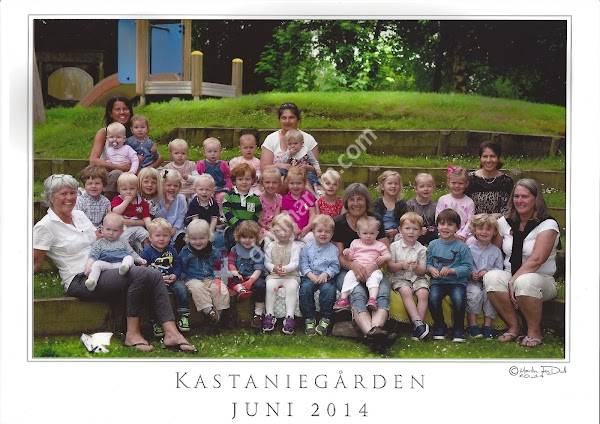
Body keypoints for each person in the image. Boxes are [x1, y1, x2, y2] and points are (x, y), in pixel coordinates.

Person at [33, 174, 196, 352]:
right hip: (80, 279)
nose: (70, 198)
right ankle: (132, 334)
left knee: (152, 273)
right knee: (142, 274)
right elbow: (34, 263)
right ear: (51, 197)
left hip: (107, 268)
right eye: (64, 194)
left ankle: (171, 333)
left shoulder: (79, 215)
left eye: (72, 193)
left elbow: (100, 239)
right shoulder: (45, 226)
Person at [483, 179, 560, 347]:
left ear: (536, 199)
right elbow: (493, 250)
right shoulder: (505, 222)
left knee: (524, 281)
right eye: (516, 196)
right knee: (491, 277)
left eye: (525, 196)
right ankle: (514, 326)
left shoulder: (548, 224)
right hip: (510, 274)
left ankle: (534, 331)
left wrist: (513, 280)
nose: (519, 200)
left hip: (540, 279)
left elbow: (537, 260)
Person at [331, 183, 393, 346]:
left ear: (366, 201)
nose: (356, 203)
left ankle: (374, 332)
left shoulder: (375, 220)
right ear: (346, 202)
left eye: (360, 199)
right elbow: (340, 255)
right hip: (347, 270)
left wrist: (373, 266)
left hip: (374, 269)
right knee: (357, 292)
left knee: (382, 291)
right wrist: (353, 266)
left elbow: (385, 250)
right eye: (352, 199)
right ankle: (372, 333)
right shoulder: (339, 222)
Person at [427, 208, 473, 342]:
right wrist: (431, 269)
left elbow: (468, 268)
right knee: (433, 298)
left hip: (457, 282)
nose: (445, 227)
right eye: (442, 224)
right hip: (438, 282)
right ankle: (439, 327)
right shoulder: (433, 245)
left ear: (457, 228)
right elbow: (428, 263)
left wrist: (452, 270)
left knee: (458, 299)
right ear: (437, 226)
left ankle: (459, 329)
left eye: (450, 224)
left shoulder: (462, 247)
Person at [140, 218, 190, 335]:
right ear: (150, 237)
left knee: (182, 288)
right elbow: (143, 270)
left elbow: (178, 265)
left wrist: (175, 275)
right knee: (152, 295)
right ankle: (156, 321)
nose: (161, 238)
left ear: (170, 237)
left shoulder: (171, 250)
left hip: (171, 279)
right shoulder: (146, 253)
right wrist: (157, 279)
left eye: (165, 235)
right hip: (155, 282)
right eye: (158, 235)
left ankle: (183, 315)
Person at [259, 102, 320, 192]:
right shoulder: (271, 139)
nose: (287, 121)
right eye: (284, 118)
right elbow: (264, 168)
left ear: (298, 120)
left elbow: (315, 167)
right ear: (279, 120)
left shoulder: (309, 139)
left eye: (291, 117)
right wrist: (280, 165)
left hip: (302, 180)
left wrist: (305, 168)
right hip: (279, 182)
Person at [334, 216, 391, 312]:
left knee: (376, 277)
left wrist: (384, 257)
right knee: (349, 276)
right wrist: (347, 253)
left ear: (377, 233)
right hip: (357, 269)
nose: (368, 236)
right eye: (365, 233)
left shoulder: (379, 245)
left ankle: (372, 299)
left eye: (372, 233)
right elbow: (351, 257)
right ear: (359, 233)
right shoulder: (355, 243)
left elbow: (388, 255)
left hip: (372, 270)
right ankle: (343, 298)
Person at [388, 212, 430, 341]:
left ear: (421, 232)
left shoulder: (422, 249)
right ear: (400, 230)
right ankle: (418, 323)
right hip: (400, 277)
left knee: (423, 293)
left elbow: (422, 271)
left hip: (417, 277)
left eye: (415, 229)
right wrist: (401, 265)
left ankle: (418, 329)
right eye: (407, 228)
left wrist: (417, 267)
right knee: (406, 291)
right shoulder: (394, 247)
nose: (411, 232)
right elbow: (390, 267)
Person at [179, 219, 230, 324]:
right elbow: (181, 266)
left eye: (202, 238)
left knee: (220, 289)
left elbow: (218, 265)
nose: (198, 242)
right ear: (188, 238)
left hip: (210, 278)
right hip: (192, 279)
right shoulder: (186, 251)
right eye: (194, 239)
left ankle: (217, 316)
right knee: (197, 288)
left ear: (208, 237)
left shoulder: (213, 251)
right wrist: (182, 278)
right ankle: (209, 311)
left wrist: (219, 277)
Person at [298, 214, 340, 336]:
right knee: (305, 289)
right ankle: (309, 319)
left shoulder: (333, 249)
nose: (323, 234)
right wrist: (310, 275)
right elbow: (303, 263)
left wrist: (326, 274)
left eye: (327, 232)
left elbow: (335, 266)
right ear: (313, 232)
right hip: (310, 276)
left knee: (328, 290)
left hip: (326, 278)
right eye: (320, 231)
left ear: (332, 234)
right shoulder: (307, 247)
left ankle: (325, 318)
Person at [262, 213, 303, 335]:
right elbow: (267, 262)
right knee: (270, 286)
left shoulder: (295, 246)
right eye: (279, 231)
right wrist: (274, 268)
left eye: (286, 230)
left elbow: (295, 262)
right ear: (274, 231)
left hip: (291, 275)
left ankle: (289, 317)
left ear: (291, 231)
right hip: (275, 275)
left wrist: (285, 269)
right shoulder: (270, 246)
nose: (283, 234)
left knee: (292, 288)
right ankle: (269, 314)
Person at [84, 212, 147, 291]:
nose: (111, 233)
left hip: (120, 264)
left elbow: (131, 252)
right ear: (102, 229)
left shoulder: (123, 242)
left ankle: (125, 267)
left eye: (115, 230)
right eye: (108, 229)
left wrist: (139, 259)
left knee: (129, 257)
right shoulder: (99, 243)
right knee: (96, 264)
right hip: (106, 265)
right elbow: (93, 256)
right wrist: (88, 266)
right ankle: (92, 281)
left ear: (121, 232)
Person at [465, 213, 503, 339]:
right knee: (474, 294)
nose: (484, 232)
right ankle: (472, 325)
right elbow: (464, 265)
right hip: (472, 282)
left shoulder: (496, 251)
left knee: (490, 295)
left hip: (488, 283)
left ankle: (488, 325)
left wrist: (487, 273)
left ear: (494, 232)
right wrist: (471, 273)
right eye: (480, 228)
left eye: (488, 229)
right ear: (474, 230)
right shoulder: (469, 248)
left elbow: (499, 269)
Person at [89, 96, 135, 199]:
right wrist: (119, 167)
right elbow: (93, 160)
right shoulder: (104, 132)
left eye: (125, 109)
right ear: (111, 113)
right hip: (109, 173)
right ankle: (107, 203)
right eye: (118, 109)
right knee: (117, 174)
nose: (122, 112)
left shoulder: (136, 132)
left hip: (132, 172)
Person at [227, 220, 267, 329]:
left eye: (251, 237)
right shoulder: (235, 249)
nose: (247, 240)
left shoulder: (257, 252)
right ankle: (241, 290)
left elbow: (259, 268)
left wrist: (251, 281)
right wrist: (235, 272)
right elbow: (230, 263)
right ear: (238, 237)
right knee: (229, 278)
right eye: (244, 237)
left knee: (261, 285)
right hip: (239, 277)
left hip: (253, 277)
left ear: (256, 238)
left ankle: (258, 313)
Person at [466, 141, 514, 215]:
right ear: (480, 158)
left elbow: (509, 208)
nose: (488, 160)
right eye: (485, 156)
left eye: (492, 156)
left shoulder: (507, 181)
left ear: (498, 158)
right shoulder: (470, 179)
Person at [222, 163, 262, 249]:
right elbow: (226, 210)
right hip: (234, 226)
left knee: (256, 240)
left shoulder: (255, 198)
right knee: (231, 239)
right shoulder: (230, 196)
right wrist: (237, 223)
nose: (244, 182)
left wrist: (251, 224)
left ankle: (252, 255)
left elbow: (258, 212)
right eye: (240, 179)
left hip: (249, 228)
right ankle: (231, 254)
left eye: (247, 179)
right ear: (234, 181)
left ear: (252, 180)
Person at [110, 172, 151, 251]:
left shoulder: (142, 202)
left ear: (137, 189)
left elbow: (146, 217)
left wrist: (150, 229)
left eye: (132, 189)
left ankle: (146, 252)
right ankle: (127, 252)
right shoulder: (118, 199)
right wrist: (126, 202)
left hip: (138, 227)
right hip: (123, 228)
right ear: (119, 190)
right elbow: (115, 212)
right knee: (122, 239)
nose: (128, 192)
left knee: (146, 235)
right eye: (124, 189)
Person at [435, 166, 474, 241]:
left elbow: (470, 221)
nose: (457, 186)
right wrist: (447, 233)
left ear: (466, 184)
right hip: (445, 231)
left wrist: (462, 235)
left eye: (460, 183)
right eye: (454, 183)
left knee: (471, 241)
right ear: (448, 183)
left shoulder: (469, 202)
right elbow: (438, 218)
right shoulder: (443, 200)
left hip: (463, 235)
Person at [196, 137, 233, 212]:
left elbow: (228, 177)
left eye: (215, 151)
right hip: (206, 188)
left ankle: (220, 213)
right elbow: (197, 177)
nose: (213, 154)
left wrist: (228, 187)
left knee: (222, 196)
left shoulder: (223, 164)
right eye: (209, 151)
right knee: (204, 196)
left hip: (220, 188)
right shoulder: (201, 164)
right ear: (204, 152)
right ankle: (205, 212)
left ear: (220, 152)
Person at [281, 167, 317, 242]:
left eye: (299, 183)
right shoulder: (285, 199)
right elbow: (285, 216)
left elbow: (313, 214)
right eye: (292, 183)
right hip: (291, 231)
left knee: (313, 238)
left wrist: (308, 227)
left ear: (304, 184)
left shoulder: (308, 196)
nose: (295, 186)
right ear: (288, 184)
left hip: (306, 231)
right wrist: (293, 225)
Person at [156, 169, 187, 250]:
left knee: (182, 239)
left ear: (179, 187)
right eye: (169, 185)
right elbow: (158, 217)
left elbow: (182, 216)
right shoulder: (159, 199)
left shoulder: (181, 198)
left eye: (175, 186)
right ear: (162, 185)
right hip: (161, 228)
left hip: (177, 229)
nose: (172, 188)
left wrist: (175, 228)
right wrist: (167, 205)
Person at [374, 170, 407, 242]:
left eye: (396, 184)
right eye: (390, 183)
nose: (393, 186)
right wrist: (383, 232)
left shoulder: (402, 204)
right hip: (380, 233)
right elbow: (374, 221)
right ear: (382, 187)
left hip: (398, 234)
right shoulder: (377, 203)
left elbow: (405, 221)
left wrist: (396, 230)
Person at [75, 165, 111, 229]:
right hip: (83, 229)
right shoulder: (80, 201)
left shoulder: (105, 202)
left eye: (97, 183)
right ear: (84, 185)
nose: (93, 186)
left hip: (100, 230)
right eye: (90, 183)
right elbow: (77, 220)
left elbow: (107, 220)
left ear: (103, 185)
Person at [406, 173, 438, 245]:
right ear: (416, 189)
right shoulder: (410, 205)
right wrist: (419, 229)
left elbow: (437, 224)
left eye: (429, 186)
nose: (426, 189)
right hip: (413, 235)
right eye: (422, 186)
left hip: (432, 236)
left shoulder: (436, 206)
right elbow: (408, 222)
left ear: (433, 188)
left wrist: (430, 229)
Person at [258, 166, 282, 244]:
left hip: (274, 225)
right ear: (262, 183)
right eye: (267, 182)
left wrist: (272, 225)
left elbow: (277, 216)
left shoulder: (279, 198)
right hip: (261, 226)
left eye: (274, 182)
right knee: (267, 238)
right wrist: (263, 225)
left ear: (279, 183)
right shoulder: (259, 198)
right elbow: (258, 217)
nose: (271, 185)